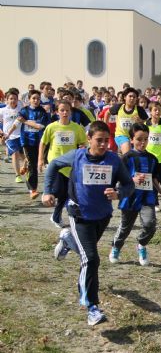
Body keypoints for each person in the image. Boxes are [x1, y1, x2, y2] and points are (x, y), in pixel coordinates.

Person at [42, 121, 134, 326]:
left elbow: (129, 184)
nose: (103, 145)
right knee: (91, 259)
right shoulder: (77, 156)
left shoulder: (114, 160)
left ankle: (67, 240)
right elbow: (55, 164)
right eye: (98, 140)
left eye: (106, 140)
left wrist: (118, 193)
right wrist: (47, 191)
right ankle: (91, 306)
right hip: (79, 215)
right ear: (88, 140)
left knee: (87, 253)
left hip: (102, 216)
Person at [109, 123, 161, 266]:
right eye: (139, 139)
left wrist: (159, 190)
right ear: (131, 140)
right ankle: (116, 247)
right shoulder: (126, 158)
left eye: (146, 139)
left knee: (150, 225)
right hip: (129, 198)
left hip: (147, 197)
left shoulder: (152, 158)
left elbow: (153, 176)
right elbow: (118, 178)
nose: (142, 142)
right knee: (125, 228)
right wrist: (132, 180)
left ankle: (141, 244)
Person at [38, 100, 87, 227]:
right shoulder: (51, 127)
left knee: (66, 193)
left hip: (71, 165)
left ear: (71, 112)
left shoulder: (77, 128)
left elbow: (83, 144)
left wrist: (82, 150)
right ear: (57, 112)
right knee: (60, 190)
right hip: (55, 164)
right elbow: (43, 143)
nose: (65, 113)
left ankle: (56, 216)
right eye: (62, 110)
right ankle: (48, 193)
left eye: (67, 110)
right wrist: (40, 159)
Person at [17, 90, 51, 199]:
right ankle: (32, 190)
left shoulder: (42, 112)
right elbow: (18, 120)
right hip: (26, 141)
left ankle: (25, 165)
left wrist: (26, 122)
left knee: (38, 164)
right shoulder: (24, 111)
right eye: (34, 98)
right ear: (29, 99)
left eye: (38, 98)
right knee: (33, 166)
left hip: (40, 142)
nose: (36, 101)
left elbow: (41, 126)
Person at [110, 87, 149, 154]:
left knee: (137, 153)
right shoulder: (119, 107)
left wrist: (140, 121)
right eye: (130, 96)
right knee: (127, 149)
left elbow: (147, 121)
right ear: (125, 97)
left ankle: (121, 156)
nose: (132, 98)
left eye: (134, 97)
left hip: (135, 137)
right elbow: (107, 113)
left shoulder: (139, 109)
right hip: (121, 135)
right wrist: (106, 124)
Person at [0, 89, 27, 183]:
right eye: (11, 99)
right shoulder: (2, 110)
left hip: (22, 135)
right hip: (9, 137)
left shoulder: (21, 109)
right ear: (7, 100)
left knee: (24, 156)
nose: (13, 100)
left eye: (15, 99)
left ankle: (25, 168)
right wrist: (1, 133)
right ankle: (17, 175)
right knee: (15, 154)